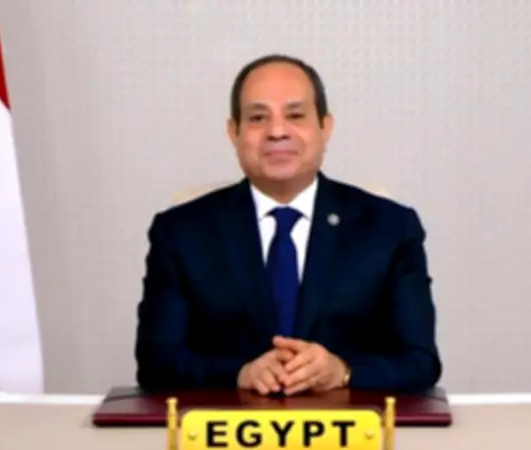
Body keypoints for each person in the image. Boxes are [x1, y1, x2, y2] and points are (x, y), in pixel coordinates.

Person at [135, 54, 442, 395]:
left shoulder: (390, 228)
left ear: (325, 127)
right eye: (258, 118)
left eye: (295, 115)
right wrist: (239, 374)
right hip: (228, 426)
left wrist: (342, 371)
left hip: (348, 425)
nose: (277, 132)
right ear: (233, 132)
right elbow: (155, 361)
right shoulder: (181, 232)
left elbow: (420, 361)